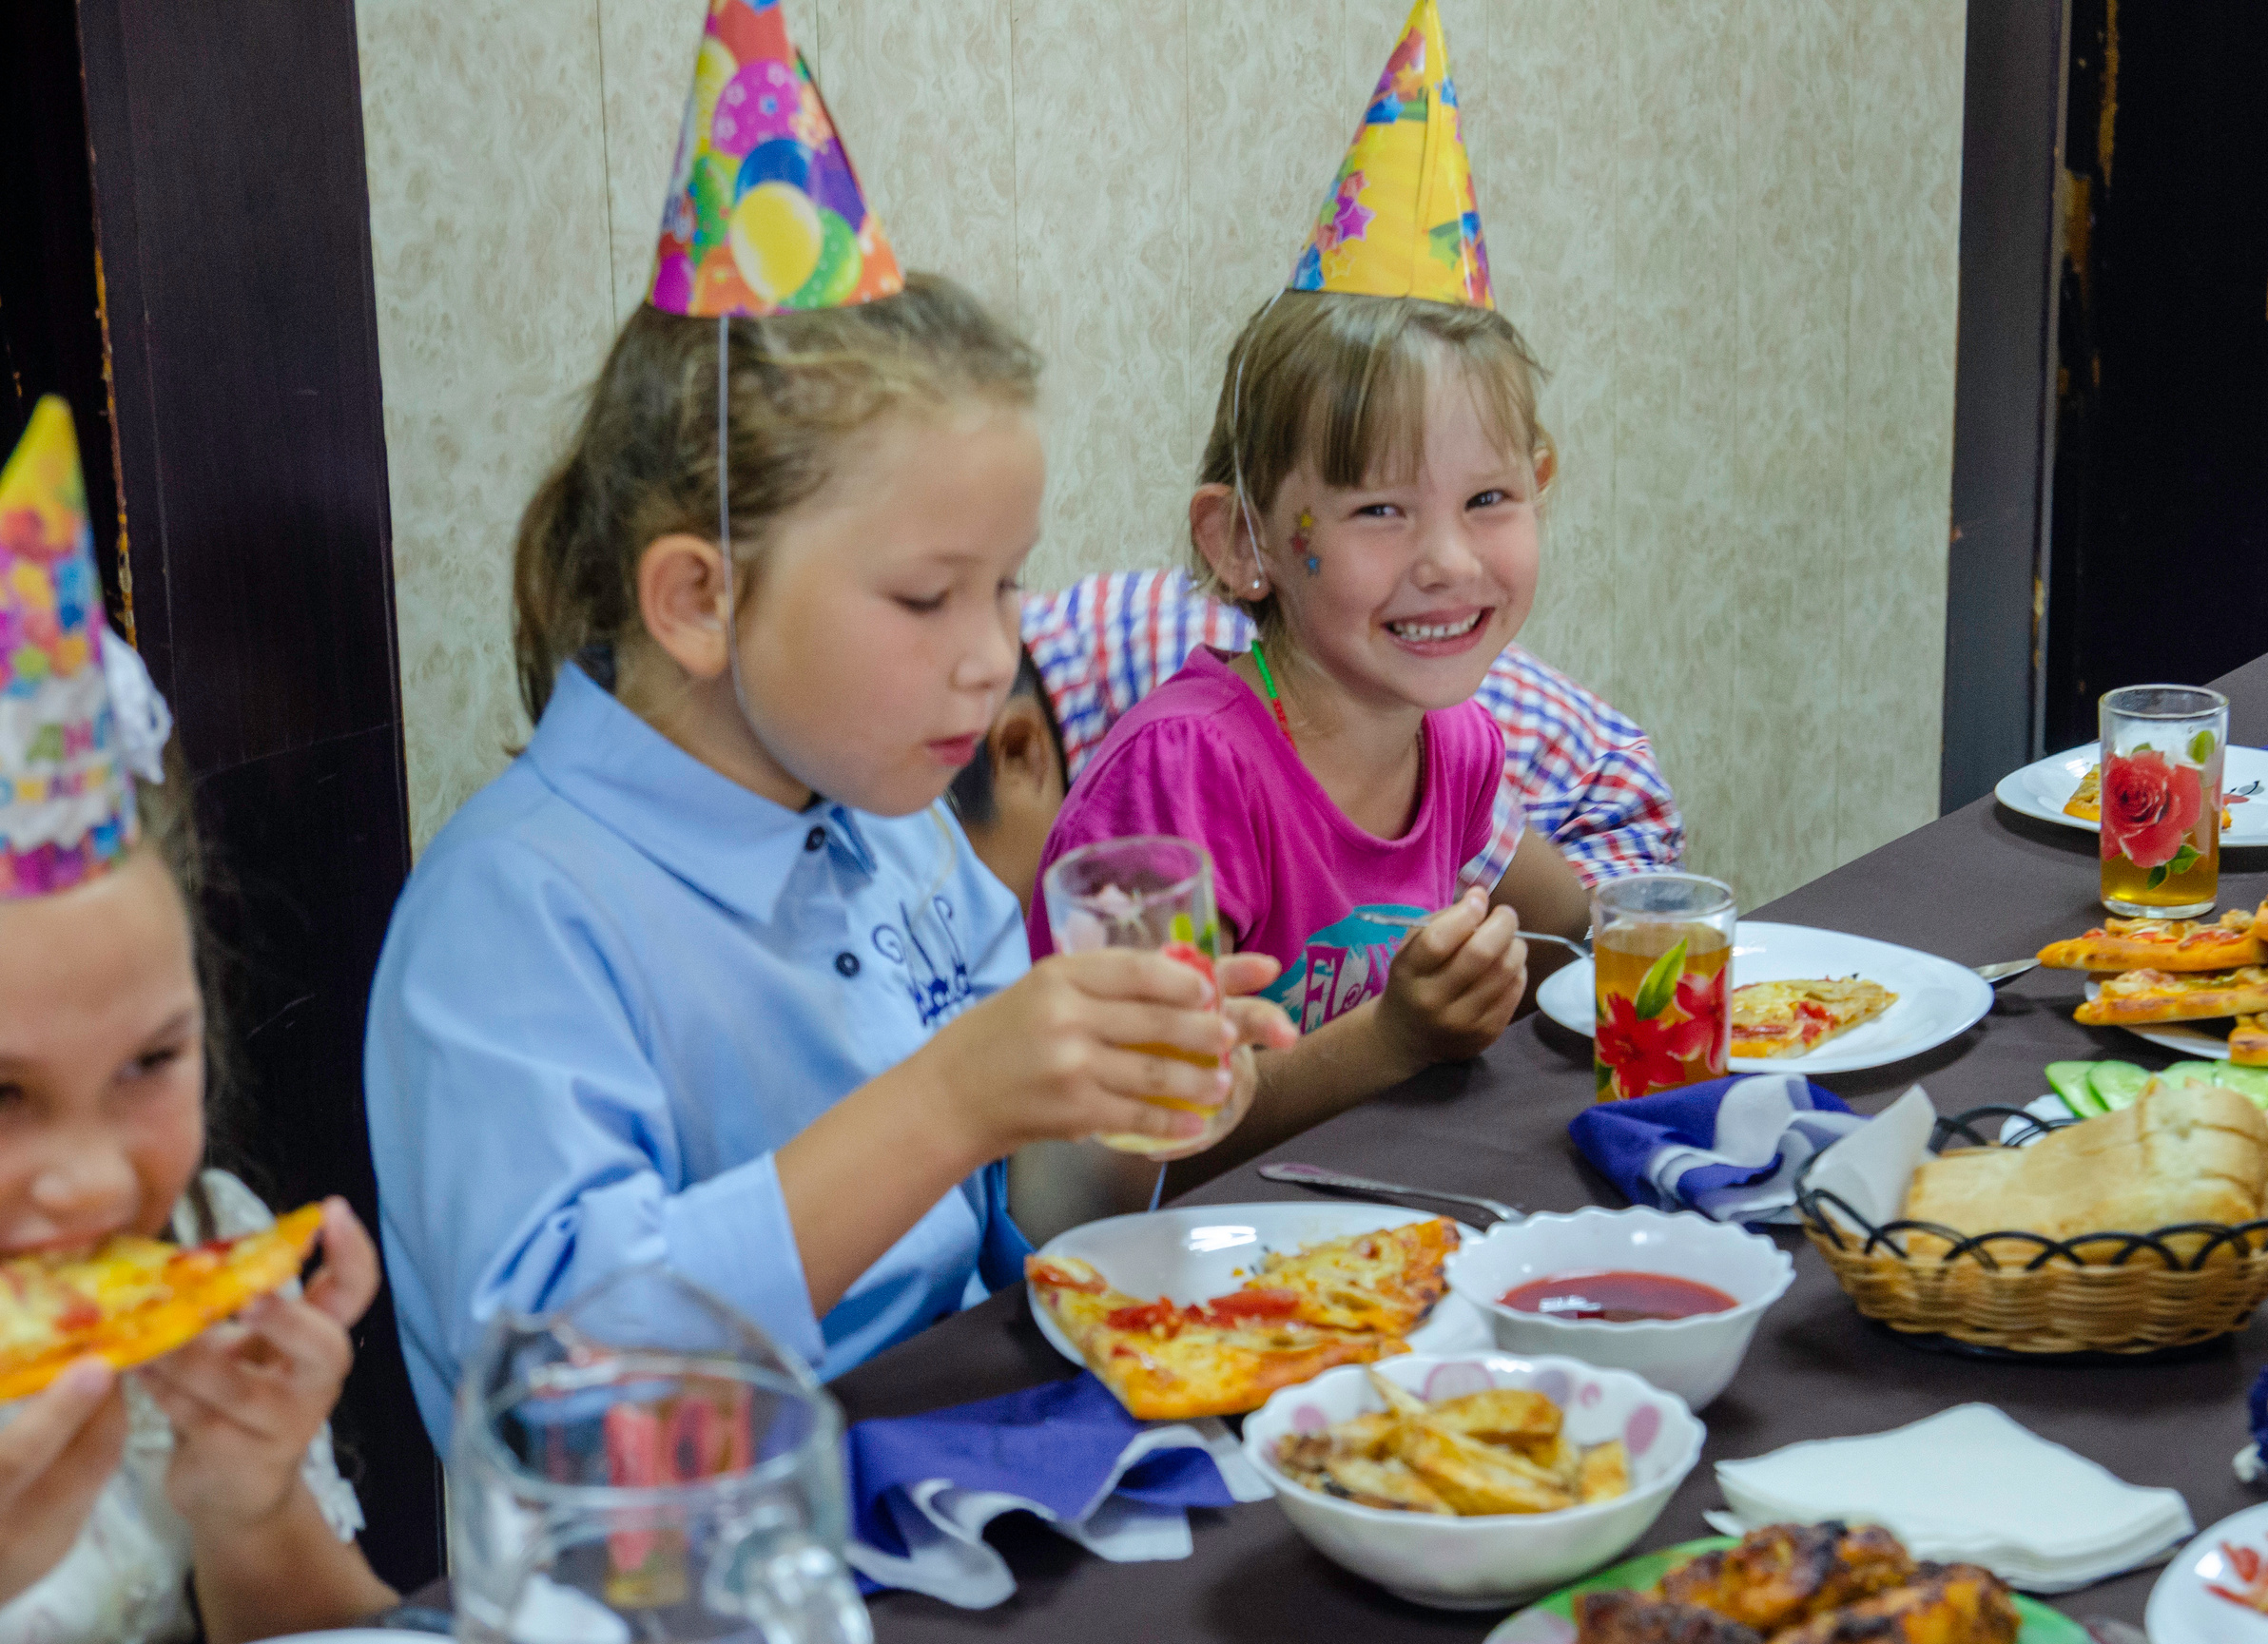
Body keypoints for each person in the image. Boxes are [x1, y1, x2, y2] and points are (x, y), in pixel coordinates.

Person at [364, 8, 1292, 1446]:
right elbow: (558, 1393)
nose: (998, 659)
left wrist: (1109, 1114)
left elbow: (1023, 1231)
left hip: (952, 1477)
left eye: (1008, 586)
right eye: (929, 596)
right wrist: (952, 1098)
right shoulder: (517, 917)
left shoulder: (897, 827)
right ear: (697, 599)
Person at [1025, 0, 1585, 1171]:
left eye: (1488, 500)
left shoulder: (1459, 743)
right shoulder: (1188, 775)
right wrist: (1393, 1038)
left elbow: (1574, 921)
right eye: (1380, 508)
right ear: (1244, 543)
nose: (1447, 558)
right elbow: (1128, 1154)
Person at [0, 398, 394, 1642]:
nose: (89, 1180)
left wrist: (250, 1508)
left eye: (150, 1062)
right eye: (2, 1093)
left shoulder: (205, 1240)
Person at [948, 568, 1682, 912]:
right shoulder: (1008, 677)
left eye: (952, 888)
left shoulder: (1179, 708)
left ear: (1017, 756)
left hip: (1589, 831)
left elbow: (1493, 850)